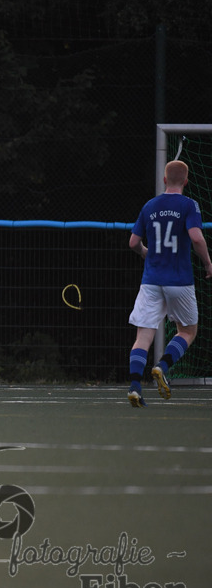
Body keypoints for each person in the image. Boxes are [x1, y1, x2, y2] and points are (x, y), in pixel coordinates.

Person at [126, 159, 212, 407]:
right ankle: (162, 366)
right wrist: (208, 263)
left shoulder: (150, 206)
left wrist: (146, 253)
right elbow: (196, 238)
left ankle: (134, 387)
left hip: (151, 281)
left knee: (143, 336)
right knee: (187, 331)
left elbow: (133, 243)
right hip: (179, 281)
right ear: (186, 181)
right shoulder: (189, 205)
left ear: (165, 180)